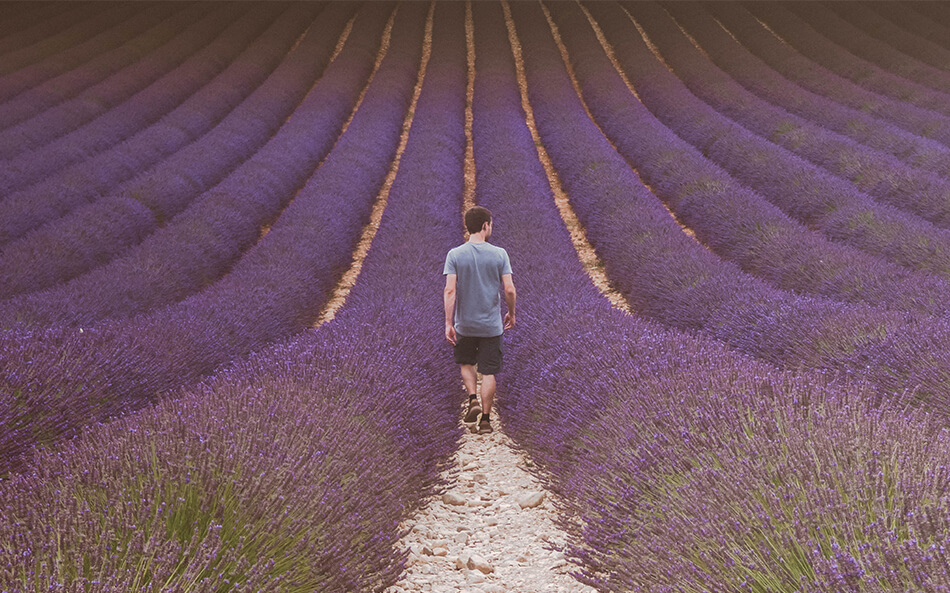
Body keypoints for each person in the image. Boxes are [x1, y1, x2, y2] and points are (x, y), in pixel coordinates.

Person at [443, 206, 516, 435]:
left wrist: (448, 322)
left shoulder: (455, 254)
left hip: (465, 323)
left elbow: (450, 291)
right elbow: (510, 289)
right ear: (485, 225)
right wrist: (511, 313)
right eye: (491, 224)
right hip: (491, 325)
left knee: (466, 363)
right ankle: (485, 420)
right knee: (489, 371)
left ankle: (472, 398)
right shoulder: (500, 254)